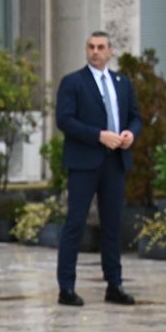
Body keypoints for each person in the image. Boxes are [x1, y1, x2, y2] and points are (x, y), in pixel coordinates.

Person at [55, 31, 141, 307]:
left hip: (115, 162)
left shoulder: (122, 83)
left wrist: (130, 133)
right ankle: (66, 287)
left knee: (113, 225)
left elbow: (135, 117)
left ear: (110, 51)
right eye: (91, 47)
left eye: (101, 47)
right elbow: (64, 120)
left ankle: (114, 284)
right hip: (84, 163)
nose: (95, 51)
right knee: (75, 224)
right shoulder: (73, 82)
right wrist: (98, 136)